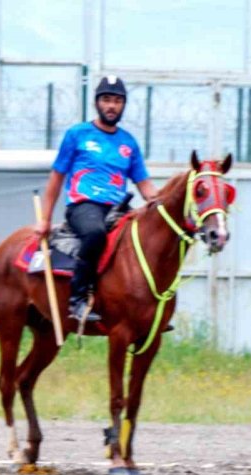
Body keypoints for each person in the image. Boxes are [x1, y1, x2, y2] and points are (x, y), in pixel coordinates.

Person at [35, 76, 159, 322]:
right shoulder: (77, 134)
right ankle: (77, 300)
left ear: (123, 105)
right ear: (96, 103)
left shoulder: (128, 142)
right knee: (95, 234)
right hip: (84, 206)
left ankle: (147, 307)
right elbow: (56, 179)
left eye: (116, 101)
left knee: (149, 239)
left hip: (118, 208)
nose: (111, 106)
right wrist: (44, 220)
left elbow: (144, 184)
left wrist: (163, 204)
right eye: (106, 100)